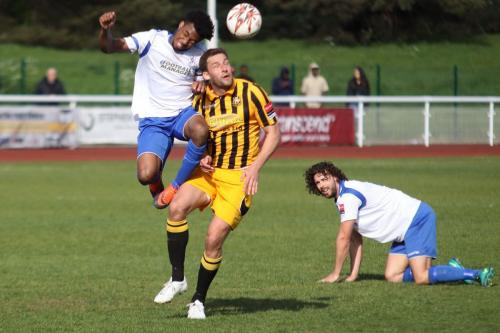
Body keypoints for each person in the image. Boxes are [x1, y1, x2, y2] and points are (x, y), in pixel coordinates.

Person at [153, 48, 280, 319]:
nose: (224, 68)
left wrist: (255, 168)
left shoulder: (251, 92)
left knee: (213, 238)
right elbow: (197, 136)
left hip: (239, 179)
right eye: (216, 65)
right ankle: (177, 279)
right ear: (207, 73)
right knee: (176, 208)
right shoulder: (200, 99)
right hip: (209, 174)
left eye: (226, 62)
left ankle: (198, 300)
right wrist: (204, 156)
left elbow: (274, 132)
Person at [304, 161, 495, 287]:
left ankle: (476, 274)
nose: (321, 185)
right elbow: (355, 239)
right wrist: (353, 275)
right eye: (317, 182)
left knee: (421, 277)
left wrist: (335, 273)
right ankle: (454, 270)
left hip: (416, 219)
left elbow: (344, 238)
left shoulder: (348, 196)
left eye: (324, 179)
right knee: (393, 276)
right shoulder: (342, 197)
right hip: (403, 229)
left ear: (335, 177)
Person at [98, 10, 214, 209]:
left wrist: (202, 85)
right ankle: (156, 184)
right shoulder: (151, 39)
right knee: (145, 175)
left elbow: (205, 82)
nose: (186, 42)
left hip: (182, 114)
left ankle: (175, 187)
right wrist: (105, 31)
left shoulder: (201, 54)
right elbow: (110, 47)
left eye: (192, 41)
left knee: (201, 130)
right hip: (153, 121)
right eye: (186, 34)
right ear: (180, 24)